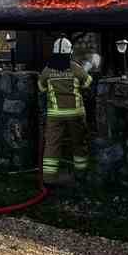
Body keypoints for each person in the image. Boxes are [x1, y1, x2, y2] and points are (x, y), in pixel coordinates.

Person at [37, 37, 93, 187]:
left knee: (52, 145)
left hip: (55, 114)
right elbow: (88, 82)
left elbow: (41, 87)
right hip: (76, 113)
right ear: (70, 52)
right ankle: (81, 174)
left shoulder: (47, 70)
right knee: (79, 143)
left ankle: (49, 179)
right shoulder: (75, 68)